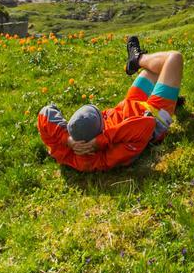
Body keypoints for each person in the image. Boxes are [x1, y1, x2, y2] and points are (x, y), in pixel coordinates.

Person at [37, 35, 183, 172]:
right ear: (100, 129)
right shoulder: (106, 158)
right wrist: (100, 141)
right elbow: (146, 125)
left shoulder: (65, 151)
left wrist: (67, 139)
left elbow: (45, 112)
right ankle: (138, 59)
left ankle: (141, 64)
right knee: (174, 58)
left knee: (152, 68)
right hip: (154, 114)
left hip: (129, 104)